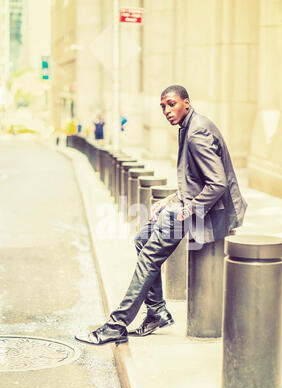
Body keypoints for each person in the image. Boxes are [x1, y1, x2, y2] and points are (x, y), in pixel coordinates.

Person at [75, 85, 247, 346]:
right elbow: (195, 179)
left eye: (171, 104)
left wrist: (187, 208)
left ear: (186, 103)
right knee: (142, 240)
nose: (167, 111)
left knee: (148, 257)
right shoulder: (188, 126)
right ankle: (156, 311)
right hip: (194, 206)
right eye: (163, 107)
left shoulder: (196, 132)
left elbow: (217, 183)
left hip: (208, 211)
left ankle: (116, 325)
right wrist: (170, 199)